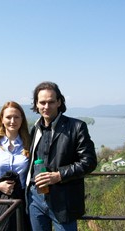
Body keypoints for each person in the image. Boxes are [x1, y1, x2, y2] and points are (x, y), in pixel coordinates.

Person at [26, 81, 98, 231]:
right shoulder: (35, 129)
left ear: (59, 102)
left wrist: (59, 175)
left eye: (51, 102)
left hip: (63, 201)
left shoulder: (77, 127)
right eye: (42, 102)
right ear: (36, 104)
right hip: (36, 198)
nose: (46, 106)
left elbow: (89, 162)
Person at [0, 101, 31, 231]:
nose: (12, 121)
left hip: (23, 201)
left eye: (16, 117)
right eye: (8, 117)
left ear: (22, 120)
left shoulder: (30, 143)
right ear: (2, 120)